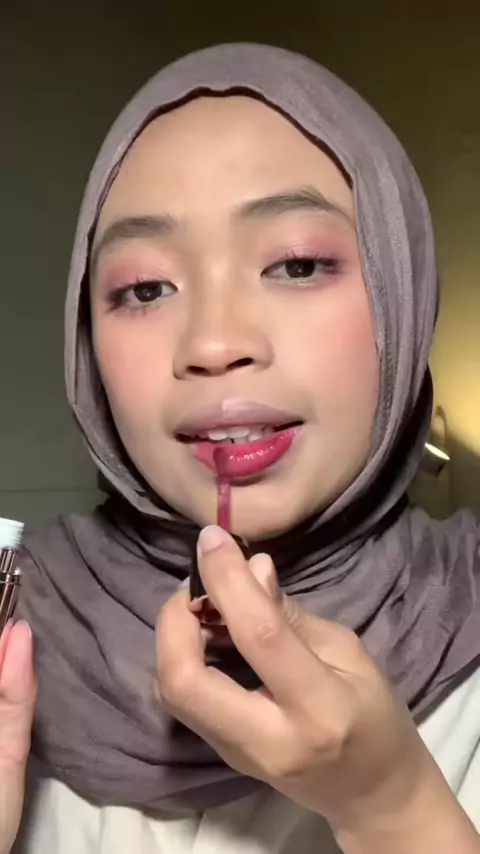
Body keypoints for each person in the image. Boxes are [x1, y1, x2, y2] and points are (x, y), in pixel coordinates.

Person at [1, 42, 479, 854]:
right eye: (146, 288)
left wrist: (393, 808)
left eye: (297, 264)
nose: (215, 343)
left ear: (404, 287)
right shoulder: (12, 635)